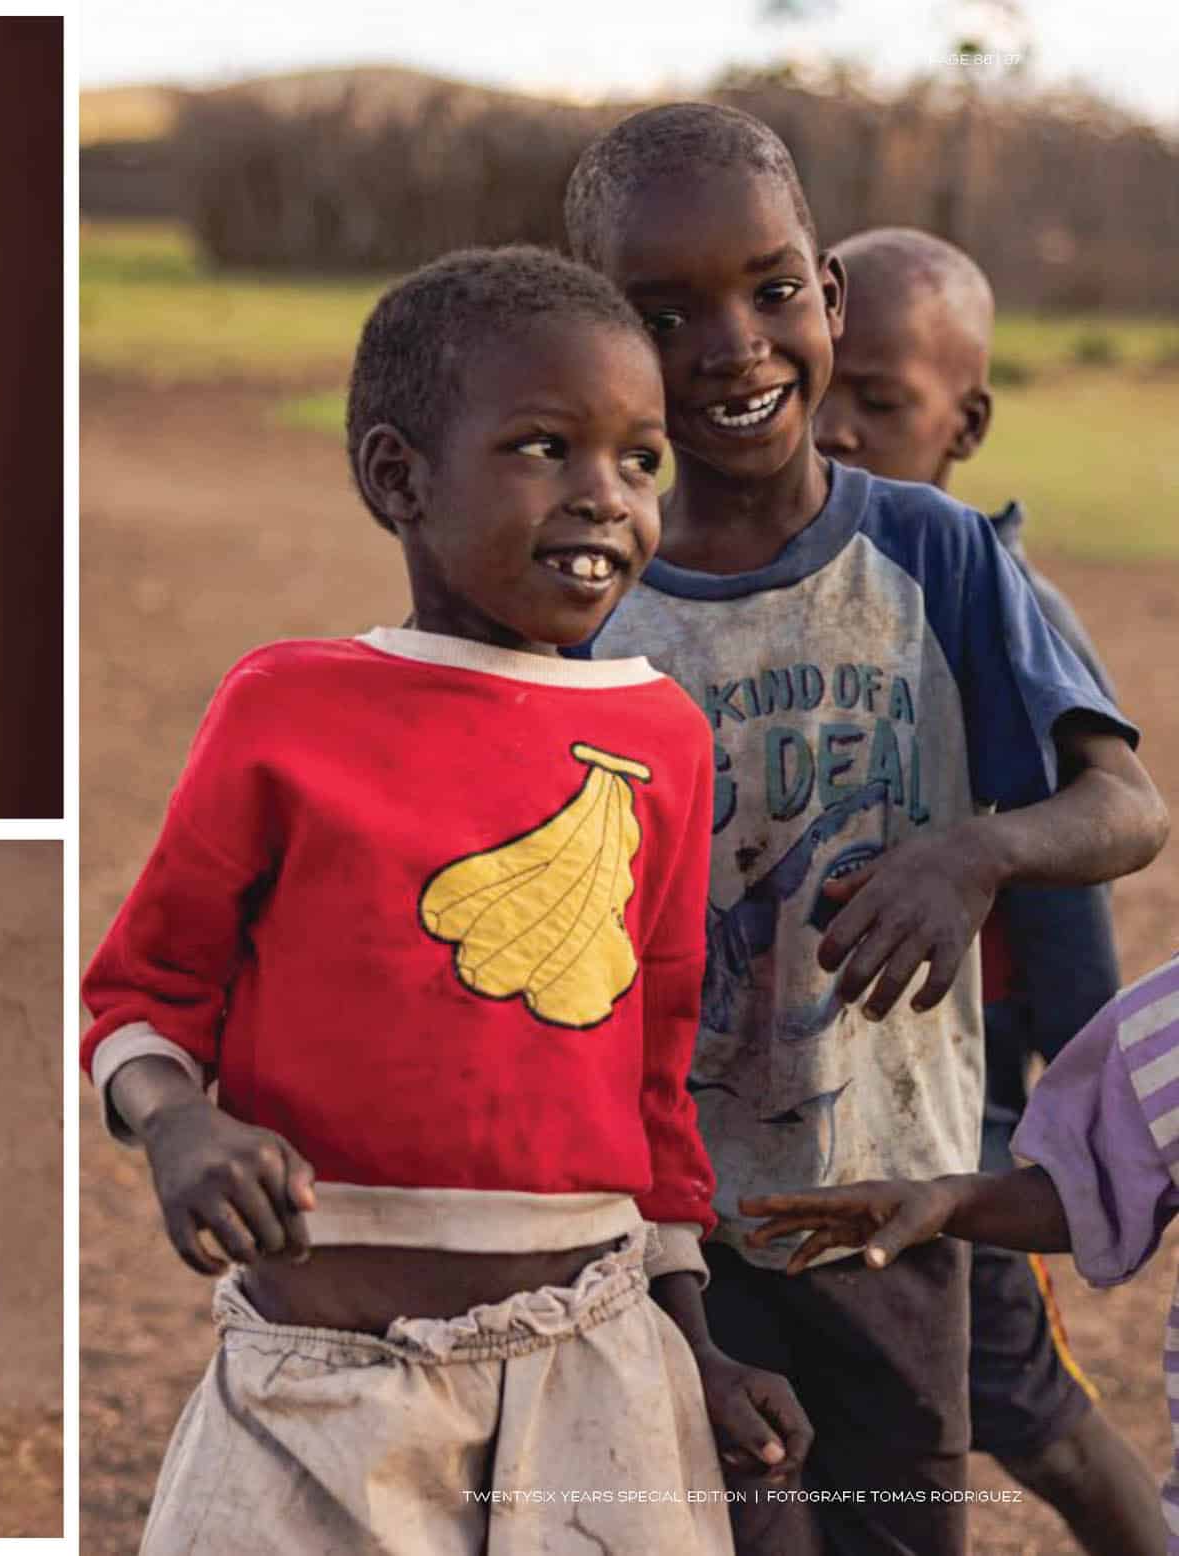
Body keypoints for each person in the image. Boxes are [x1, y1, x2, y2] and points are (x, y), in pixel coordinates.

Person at [82, 244, 811, 1555]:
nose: (607, 499)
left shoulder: (665, 738)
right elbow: (147, 987)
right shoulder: (288, 708)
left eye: (640, 460)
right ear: (397, 476)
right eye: (545, 447)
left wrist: (695, 1343)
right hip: (319, 1395)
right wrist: (177, 1126)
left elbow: (656, 1068)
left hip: (595, 1369)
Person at [562, 102, 1167, 1556]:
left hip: (893, 1205)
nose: (734, 345)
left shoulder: (938, 556)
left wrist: (975, 852)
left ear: (828, 294)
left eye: (772, 290)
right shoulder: (584, 602)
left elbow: (1122, 806)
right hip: (667, 1233)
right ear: (602, 336)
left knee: (900, 1528)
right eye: (664, 313)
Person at [814, 224, 1160, 1556]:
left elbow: (1099, 843)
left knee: (1031, 1420)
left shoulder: (995, 601)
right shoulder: (776, 590)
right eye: (821, 388)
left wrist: (1062, 1132)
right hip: (801, 1104)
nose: (837, 430)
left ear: (967, 423)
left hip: (959, 1125)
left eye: (883, 403)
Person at [742, 952, 1179, 1553]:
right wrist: (948, 1202)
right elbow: (1092, 1180)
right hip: (858, 1188)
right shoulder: (1167, 1019)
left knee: (1045, 1431)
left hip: (949, 1127)